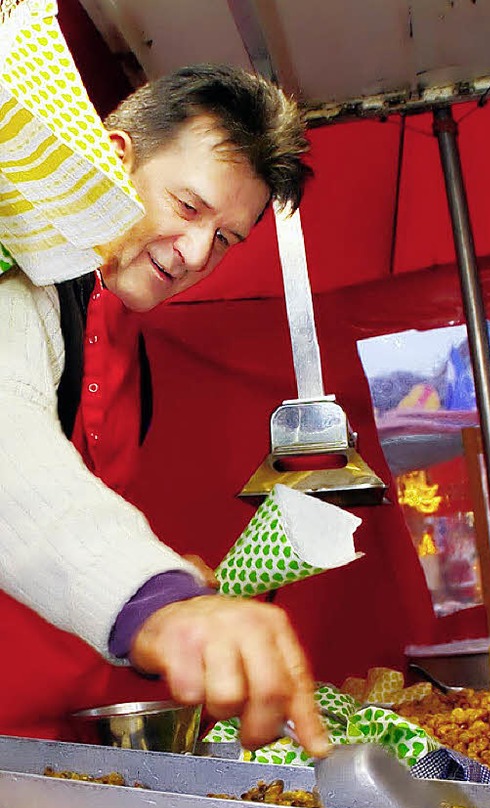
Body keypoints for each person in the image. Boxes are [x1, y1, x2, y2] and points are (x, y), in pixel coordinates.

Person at [0, 64, 328, 756]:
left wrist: (172, 573)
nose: (197, 253)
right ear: (115, 159)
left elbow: (75, 503)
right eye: (187, 207)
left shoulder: (128, 338)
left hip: (72, 737)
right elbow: (12, 454)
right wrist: (155, 597)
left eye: (227, 238)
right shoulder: (19, 274)